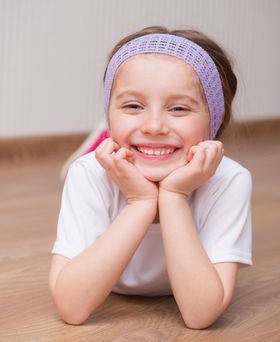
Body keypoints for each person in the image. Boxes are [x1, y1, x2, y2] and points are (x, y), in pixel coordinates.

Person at [49, 26, 252, 329]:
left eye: (179, 108)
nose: (154, 125)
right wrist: (141, 201)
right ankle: (100, 137)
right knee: (73, 169)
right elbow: (71, 307)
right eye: (133, 106)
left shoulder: (230, 180)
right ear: (109, 111)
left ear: (215, 118)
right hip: (107, 157)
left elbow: (200, 315)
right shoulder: (89, 174)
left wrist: (173, 196)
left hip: (149, 153)